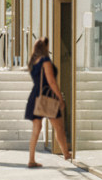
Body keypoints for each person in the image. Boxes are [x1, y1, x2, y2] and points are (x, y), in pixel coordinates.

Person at [25, 37, 71, 166]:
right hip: (47, 96)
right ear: (45, 47)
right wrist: (60, 98)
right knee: (59, 127)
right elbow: (51, 81)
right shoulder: (45, 61)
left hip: (35, 97)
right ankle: (66, 153)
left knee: (36, 129)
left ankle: (31, 159)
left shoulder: (33, 62)